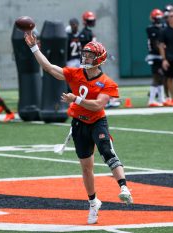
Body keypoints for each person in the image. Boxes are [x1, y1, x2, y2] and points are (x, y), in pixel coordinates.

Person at [25, 33, 133, 224]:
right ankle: (93, 203)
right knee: (86, 168)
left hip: (97, 122)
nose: (85, 58)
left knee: (107, 151)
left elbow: (98, 105)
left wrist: (76, 99)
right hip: (78, 123)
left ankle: (124, 187)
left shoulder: (107, 82)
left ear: (99, 59)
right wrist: (34, 48)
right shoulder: (76, 73)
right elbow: (49, 68)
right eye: (85, 54)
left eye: (90, 55)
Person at [146, 8, 166, 107]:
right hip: (154, 55)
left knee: (162, 78)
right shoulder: (151, 29)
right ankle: (151, 100)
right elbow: (155, 44)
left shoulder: (163, 27)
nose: (159, 20)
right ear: (153, 19)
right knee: (156, 77)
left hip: (161, 55)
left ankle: (161, 98)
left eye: (160, 18)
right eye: (157, 18)